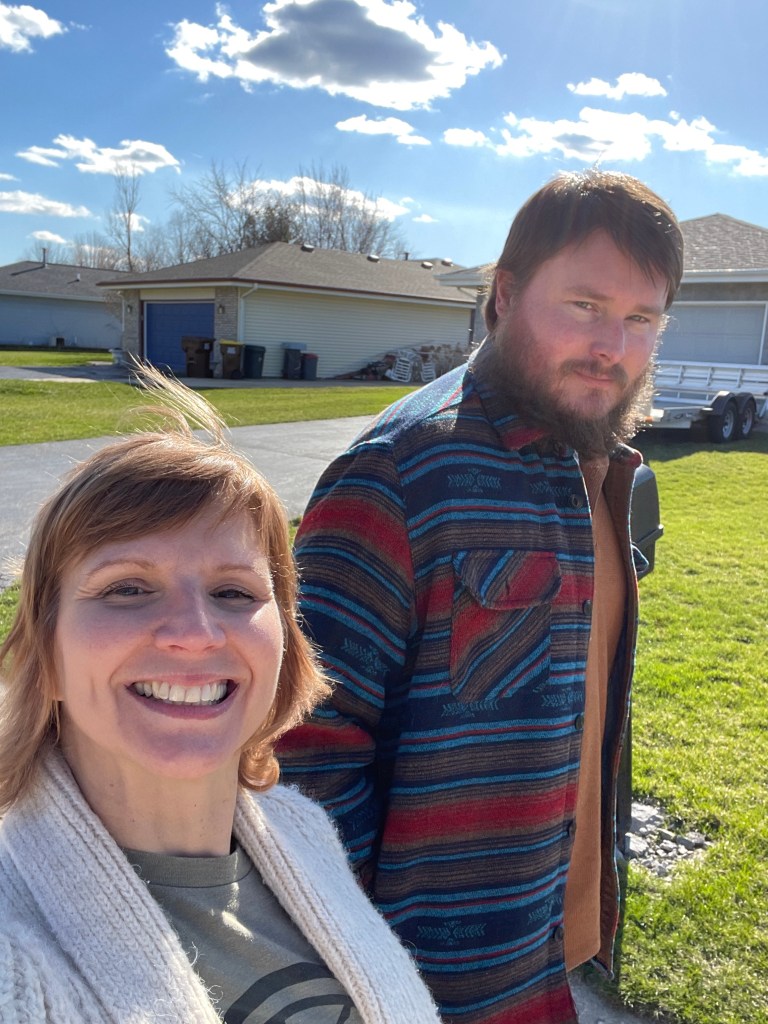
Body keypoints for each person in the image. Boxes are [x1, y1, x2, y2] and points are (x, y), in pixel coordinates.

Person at [278, 170, 684, 1024]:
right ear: (504, 296)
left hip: (553, 956)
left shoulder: (602, 465)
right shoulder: (398, 473)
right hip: (433, 989)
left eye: (641, 319)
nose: (611, 345)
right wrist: (370, 970)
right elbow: (302, 752)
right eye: (584, 305)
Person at [0, 368, 441, 1024]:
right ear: (48, 657)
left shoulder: (302, 829)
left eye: (234, 592)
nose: (196, 632)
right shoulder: (14, 954)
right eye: (127, 588)